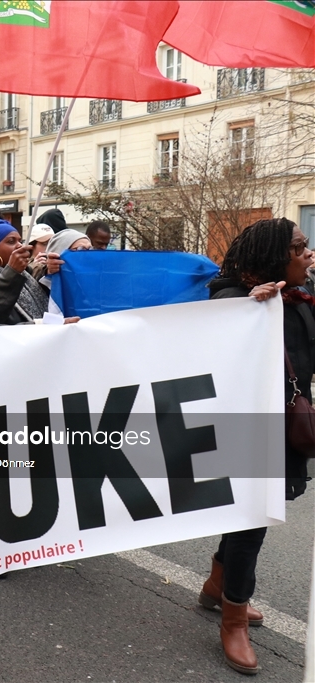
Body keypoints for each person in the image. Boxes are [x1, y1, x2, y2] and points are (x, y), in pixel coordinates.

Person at [199, 217, 311, 675]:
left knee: (253, 515)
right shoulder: (233, 299)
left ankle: (215, 586)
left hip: (283, 425)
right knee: (253, 519)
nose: (308, 254)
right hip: (244, 428)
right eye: (300, 248)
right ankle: (233, 616)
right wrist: (247, 311)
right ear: (272, 258)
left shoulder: (300, 298)